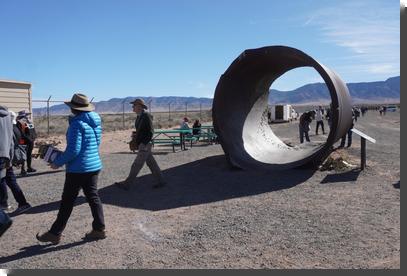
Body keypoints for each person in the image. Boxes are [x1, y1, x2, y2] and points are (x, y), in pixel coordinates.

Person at [36, 93, 106, 245]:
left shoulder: (76, 124)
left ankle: (54, 233)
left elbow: (74, 150)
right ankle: (99, 229)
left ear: (74, 108)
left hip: (78, 169)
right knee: (93, 197)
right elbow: (93, 144)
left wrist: (57, 162)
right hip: (93, 166)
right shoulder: (95, 122)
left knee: (67, 201)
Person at [115, 98, 166, 191]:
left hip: (145, 144)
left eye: (134, 105)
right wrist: (136, 134)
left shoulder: (146, 116)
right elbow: (143, 130)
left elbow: (150, 132)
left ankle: (127, 184)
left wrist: (144, 143)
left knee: (136, 165)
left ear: (139, 106)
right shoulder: (139, 117)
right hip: (144, 144)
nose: (132, 107)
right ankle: (161, 181)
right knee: (152, 164)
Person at [0, 111, 32, 215]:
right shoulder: (9, 122)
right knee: (9, 179)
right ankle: (22, 203)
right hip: (7, 155)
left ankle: (4, 203)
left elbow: (21, 136)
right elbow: (14, 141)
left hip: (5, 155)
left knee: (3, 180)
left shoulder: (14, 123)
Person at [0, 105, 14, 211]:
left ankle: (3, 203)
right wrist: (11, 157)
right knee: (1, 180)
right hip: (5, 154)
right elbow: (11, 140)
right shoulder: (8, 118)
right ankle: (4, 203)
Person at [16, 110, 37, 175]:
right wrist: (29, 139)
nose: (28, 116)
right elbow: (22, 133)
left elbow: (32, 131)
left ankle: (29, 168)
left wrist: (34, 137)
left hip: (30, 141)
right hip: (24, 142)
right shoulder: (20, 123)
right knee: (23, 155)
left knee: (29, 155)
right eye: (26, 115)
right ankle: (23, 169)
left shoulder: (29, 122)